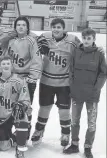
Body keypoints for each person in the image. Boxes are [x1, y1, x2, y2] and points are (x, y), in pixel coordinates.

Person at [31, 18, 81, 147]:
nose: (56, 30)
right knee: (44, 108)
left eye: (59, 27)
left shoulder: (72, 40)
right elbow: (32, 40)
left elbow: (83, 50)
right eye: (54, 27)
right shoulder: (45, 37)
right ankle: (39, 130)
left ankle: (65, 133)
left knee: (64, 110)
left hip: (64, 83)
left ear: (63, 28)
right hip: (46, 81)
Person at [63, 28, 107, 158]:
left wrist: (97, 88)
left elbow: (103, 73)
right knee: (75, 120)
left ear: (94, 39)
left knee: (91, 123)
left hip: (92, 95)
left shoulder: (99, 54)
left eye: (89, 38)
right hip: (77, 93)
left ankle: (88, 147)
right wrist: (72, 85)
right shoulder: (76, 51)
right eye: (84, 38)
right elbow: (70, 70)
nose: (86, 41)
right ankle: (74, 144)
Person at [0, 55, 31, 158]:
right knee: (3, 146)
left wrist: (21, 106)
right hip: (2, 118)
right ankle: (16, 135)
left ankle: (20, 150)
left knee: (22, 116)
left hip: (14, 114)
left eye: (8, 63)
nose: (6, 66)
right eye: (3, 64)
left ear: (11, 65)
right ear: (0, 66)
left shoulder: (19, 80)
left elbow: (26, 99)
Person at [5, 16, 43, 139]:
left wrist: (32, 77)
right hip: (13, 79)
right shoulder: (11, 42)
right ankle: (13, 130)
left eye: (23, 25)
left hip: (26, 79)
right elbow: (6, 60)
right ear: (15, 27)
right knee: (11, 105)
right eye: (18, 25)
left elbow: (37, 60)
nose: (21, 27)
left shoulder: (31, 41)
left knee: (25, 107)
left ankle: (25, 132)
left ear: (27, 28)